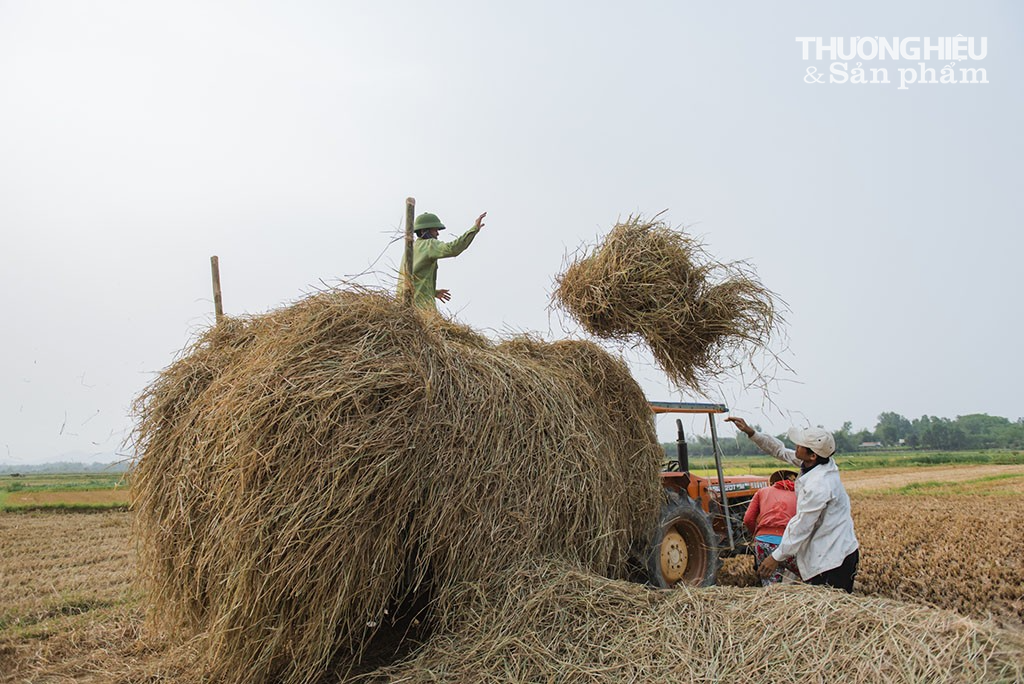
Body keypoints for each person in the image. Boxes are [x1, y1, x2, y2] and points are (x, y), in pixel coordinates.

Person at [726, 416, 860, 593]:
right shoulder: (814, 463)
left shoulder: (819, 485)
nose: (796, 446)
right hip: (824, 551)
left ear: (812, 454)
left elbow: (802, 525)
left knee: (830, 608)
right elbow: (779, 450)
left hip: (834, 558)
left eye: (800, 445)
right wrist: (751, 432)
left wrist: (776, 556)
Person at [398, 211, 487, 310]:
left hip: (403, 304)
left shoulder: (411, 249)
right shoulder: (429, 244)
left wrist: (433, 292)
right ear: (424, 231)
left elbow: (415, 279)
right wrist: (474, 229)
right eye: (435, 230)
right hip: (420, 307)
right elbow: (452, 249)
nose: (437, 234)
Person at [743, 469, 801, 586]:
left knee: (771, 586)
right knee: (811, 576)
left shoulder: (762, 492)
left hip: (763, 543)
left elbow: (748, 519)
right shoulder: (800, 495)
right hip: (787, 544)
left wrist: (756, 535)